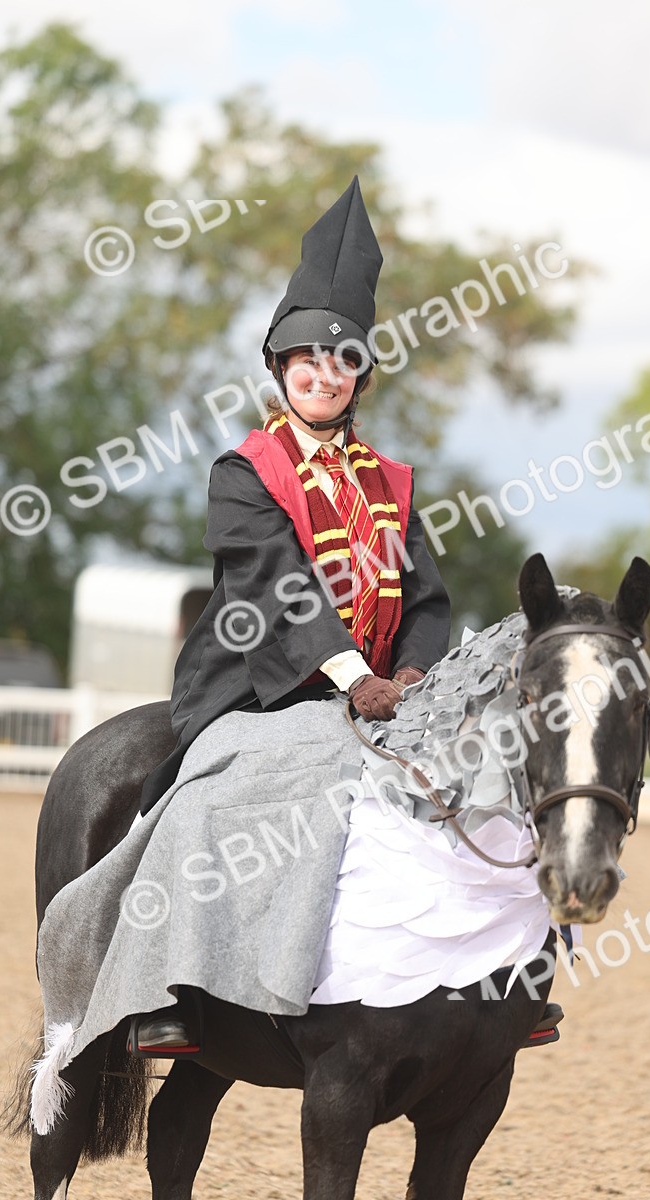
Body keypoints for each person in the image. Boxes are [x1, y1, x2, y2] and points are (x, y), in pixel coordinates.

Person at [131, 178, 452, 1053]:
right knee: (206, 806)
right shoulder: (244, 471)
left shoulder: (394, 481)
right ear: (280, 369)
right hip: (254, 688)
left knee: (484, 788)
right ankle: (163, 992)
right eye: (305, 358)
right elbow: (280, 588)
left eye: (341, 360)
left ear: (361, 376)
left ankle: (496, 984)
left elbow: (427, 598)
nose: (322, 372)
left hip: (382, 693)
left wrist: (413, 679)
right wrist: (357, 679)